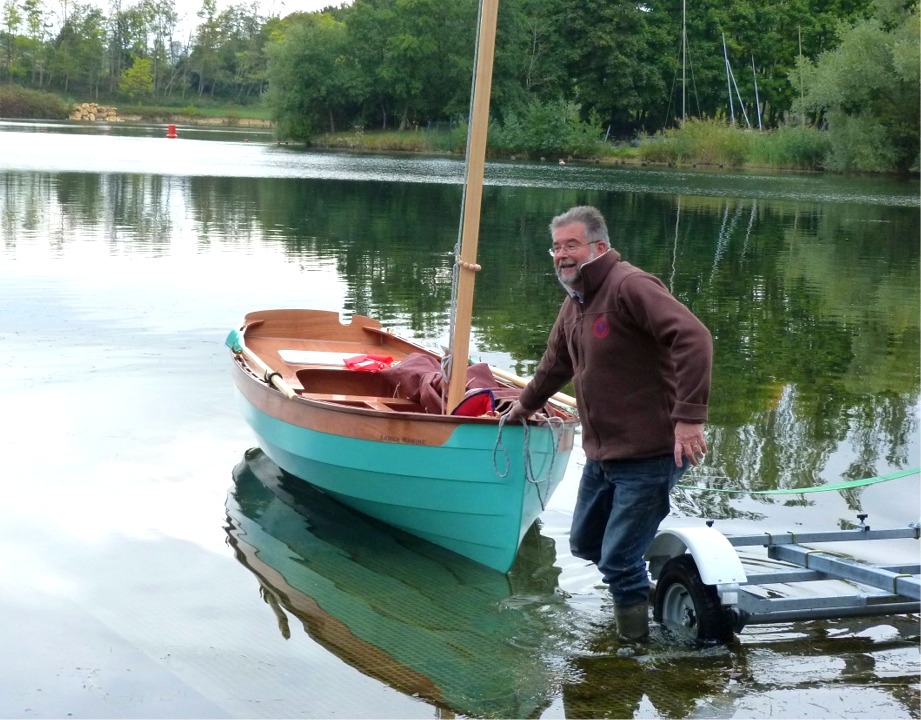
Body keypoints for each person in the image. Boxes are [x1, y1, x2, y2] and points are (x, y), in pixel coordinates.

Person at [505, 205, 712, 641]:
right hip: (603, 454)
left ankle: (633, 649)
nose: (562, 255)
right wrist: (525, 405)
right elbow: (554, 363)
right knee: (585, 543)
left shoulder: (629, 287)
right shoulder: (575, 303)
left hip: (651, 453)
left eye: (572, 245)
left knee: (617, 559)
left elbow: (694, 338)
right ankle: (643, 584)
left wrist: (689, 419)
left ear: (599, 247)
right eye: (557, 247)